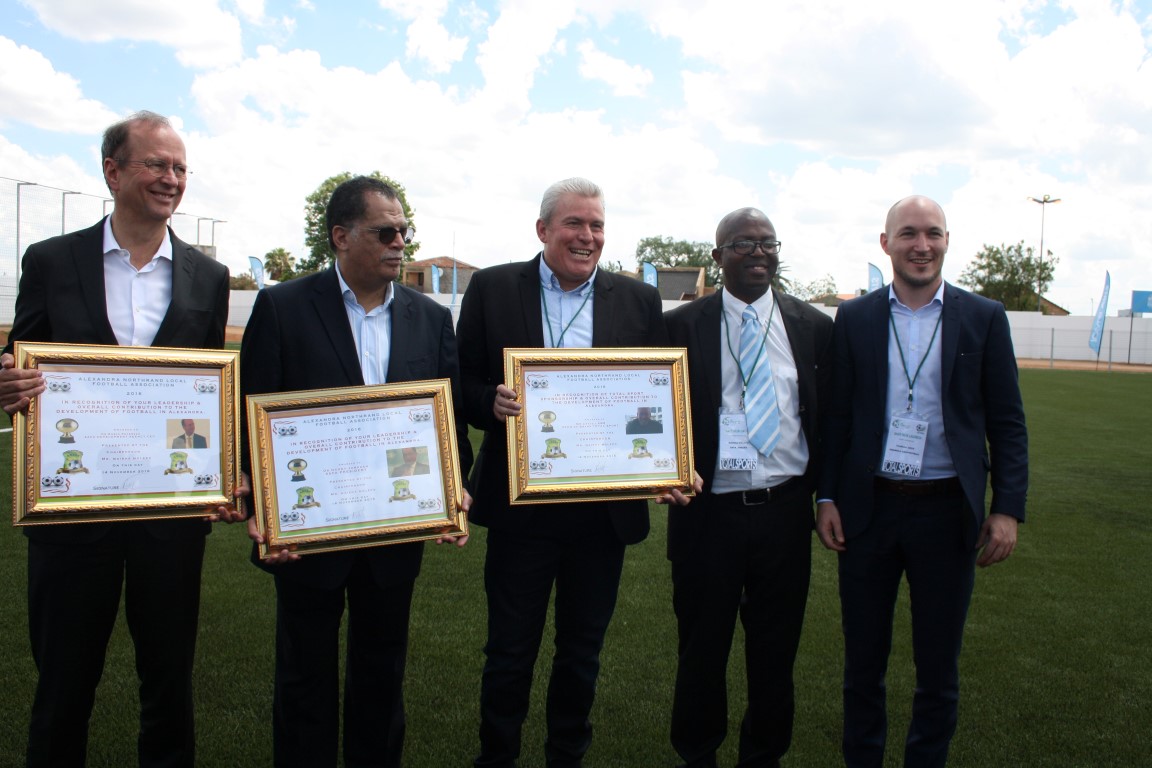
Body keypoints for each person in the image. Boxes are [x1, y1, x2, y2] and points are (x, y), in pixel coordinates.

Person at [0, 110, 241, 768]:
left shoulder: (208, 276)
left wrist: (223, 471)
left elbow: (207, 391)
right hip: (71, 511)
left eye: (181, 168)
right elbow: (23, 355)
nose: (172, 179)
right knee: (63, 681)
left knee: (169, 680)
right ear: (112, 171)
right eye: (157, 164)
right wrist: (8, 383)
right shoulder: (51, 260)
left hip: (170, 515)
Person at [458, 177, 695, 768]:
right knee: (509, 652)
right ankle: (497, 758)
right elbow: (457, 381)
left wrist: (670, 464)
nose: (586, 236)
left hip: (602, 512)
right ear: (543, 229)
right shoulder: (492, 288)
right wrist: (487, 399)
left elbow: (659, 394)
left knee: (581, 654)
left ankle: (566, 756)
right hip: (521, 508)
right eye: (574, 223)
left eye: (596, 225)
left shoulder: (638, 299)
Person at [240, 175, 474, 768]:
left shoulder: (430, 317)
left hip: (395, 531)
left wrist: (454, 489)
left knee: (382, 676)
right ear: (341, 236)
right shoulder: (282, 307)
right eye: (385, 232)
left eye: (404, 231)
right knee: (304, 679)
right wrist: (263, 507)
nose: (400, 243)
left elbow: (445, 420)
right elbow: (253, 413)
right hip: (307, 533)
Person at [815, 195, 1028, 768]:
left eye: (933, 233)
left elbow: (1007, 421)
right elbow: (837, 415)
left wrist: (1007, 507)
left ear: (947, 241)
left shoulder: (984, 316)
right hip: (869, 511)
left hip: (947, 514)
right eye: (908, 233)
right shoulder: (855, 318)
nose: (921, 245)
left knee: (938, 668)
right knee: (863, 665)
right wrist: (827, 495)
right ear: (886, 243)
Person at [663, 208, 833, 768]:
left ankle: (763, 756)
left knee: (775, 653)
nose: (758, 252)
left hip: (785, 513)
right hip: (706, 515)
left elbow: (831, 420)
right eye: (742, 244)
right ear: (718, 256)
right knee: (701, 650)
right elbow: (654, 408)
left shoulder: (813, 327)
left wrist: (827, 495)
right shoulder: (681, 326)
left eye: (768, 243)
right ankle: (698, 754)